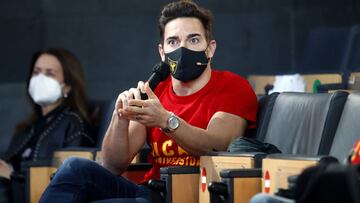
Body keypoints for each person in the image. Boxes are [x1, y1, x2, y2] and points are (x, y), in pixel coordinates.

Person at [40, 1, 258, 202]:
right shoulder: (155, 91)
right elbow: (111, 165)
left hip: (196, 193)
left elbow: (216, 144)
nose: (183, 49)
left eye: (193, 40)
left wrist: (166, 120)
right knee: (74, 167)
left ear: (209, 49)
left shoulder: (233, 87)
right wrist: (120, 118)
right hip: (151, 190)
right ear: (162, 53)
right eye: (173, 41)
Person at [0, 48, 96, 203]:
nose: (40, 78)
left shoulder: (74, 124)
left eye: (49, 73)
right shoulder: (27, 127)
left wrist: (11, 176)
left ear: (67, 86)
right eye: (36, 72)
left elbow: (69, 182)